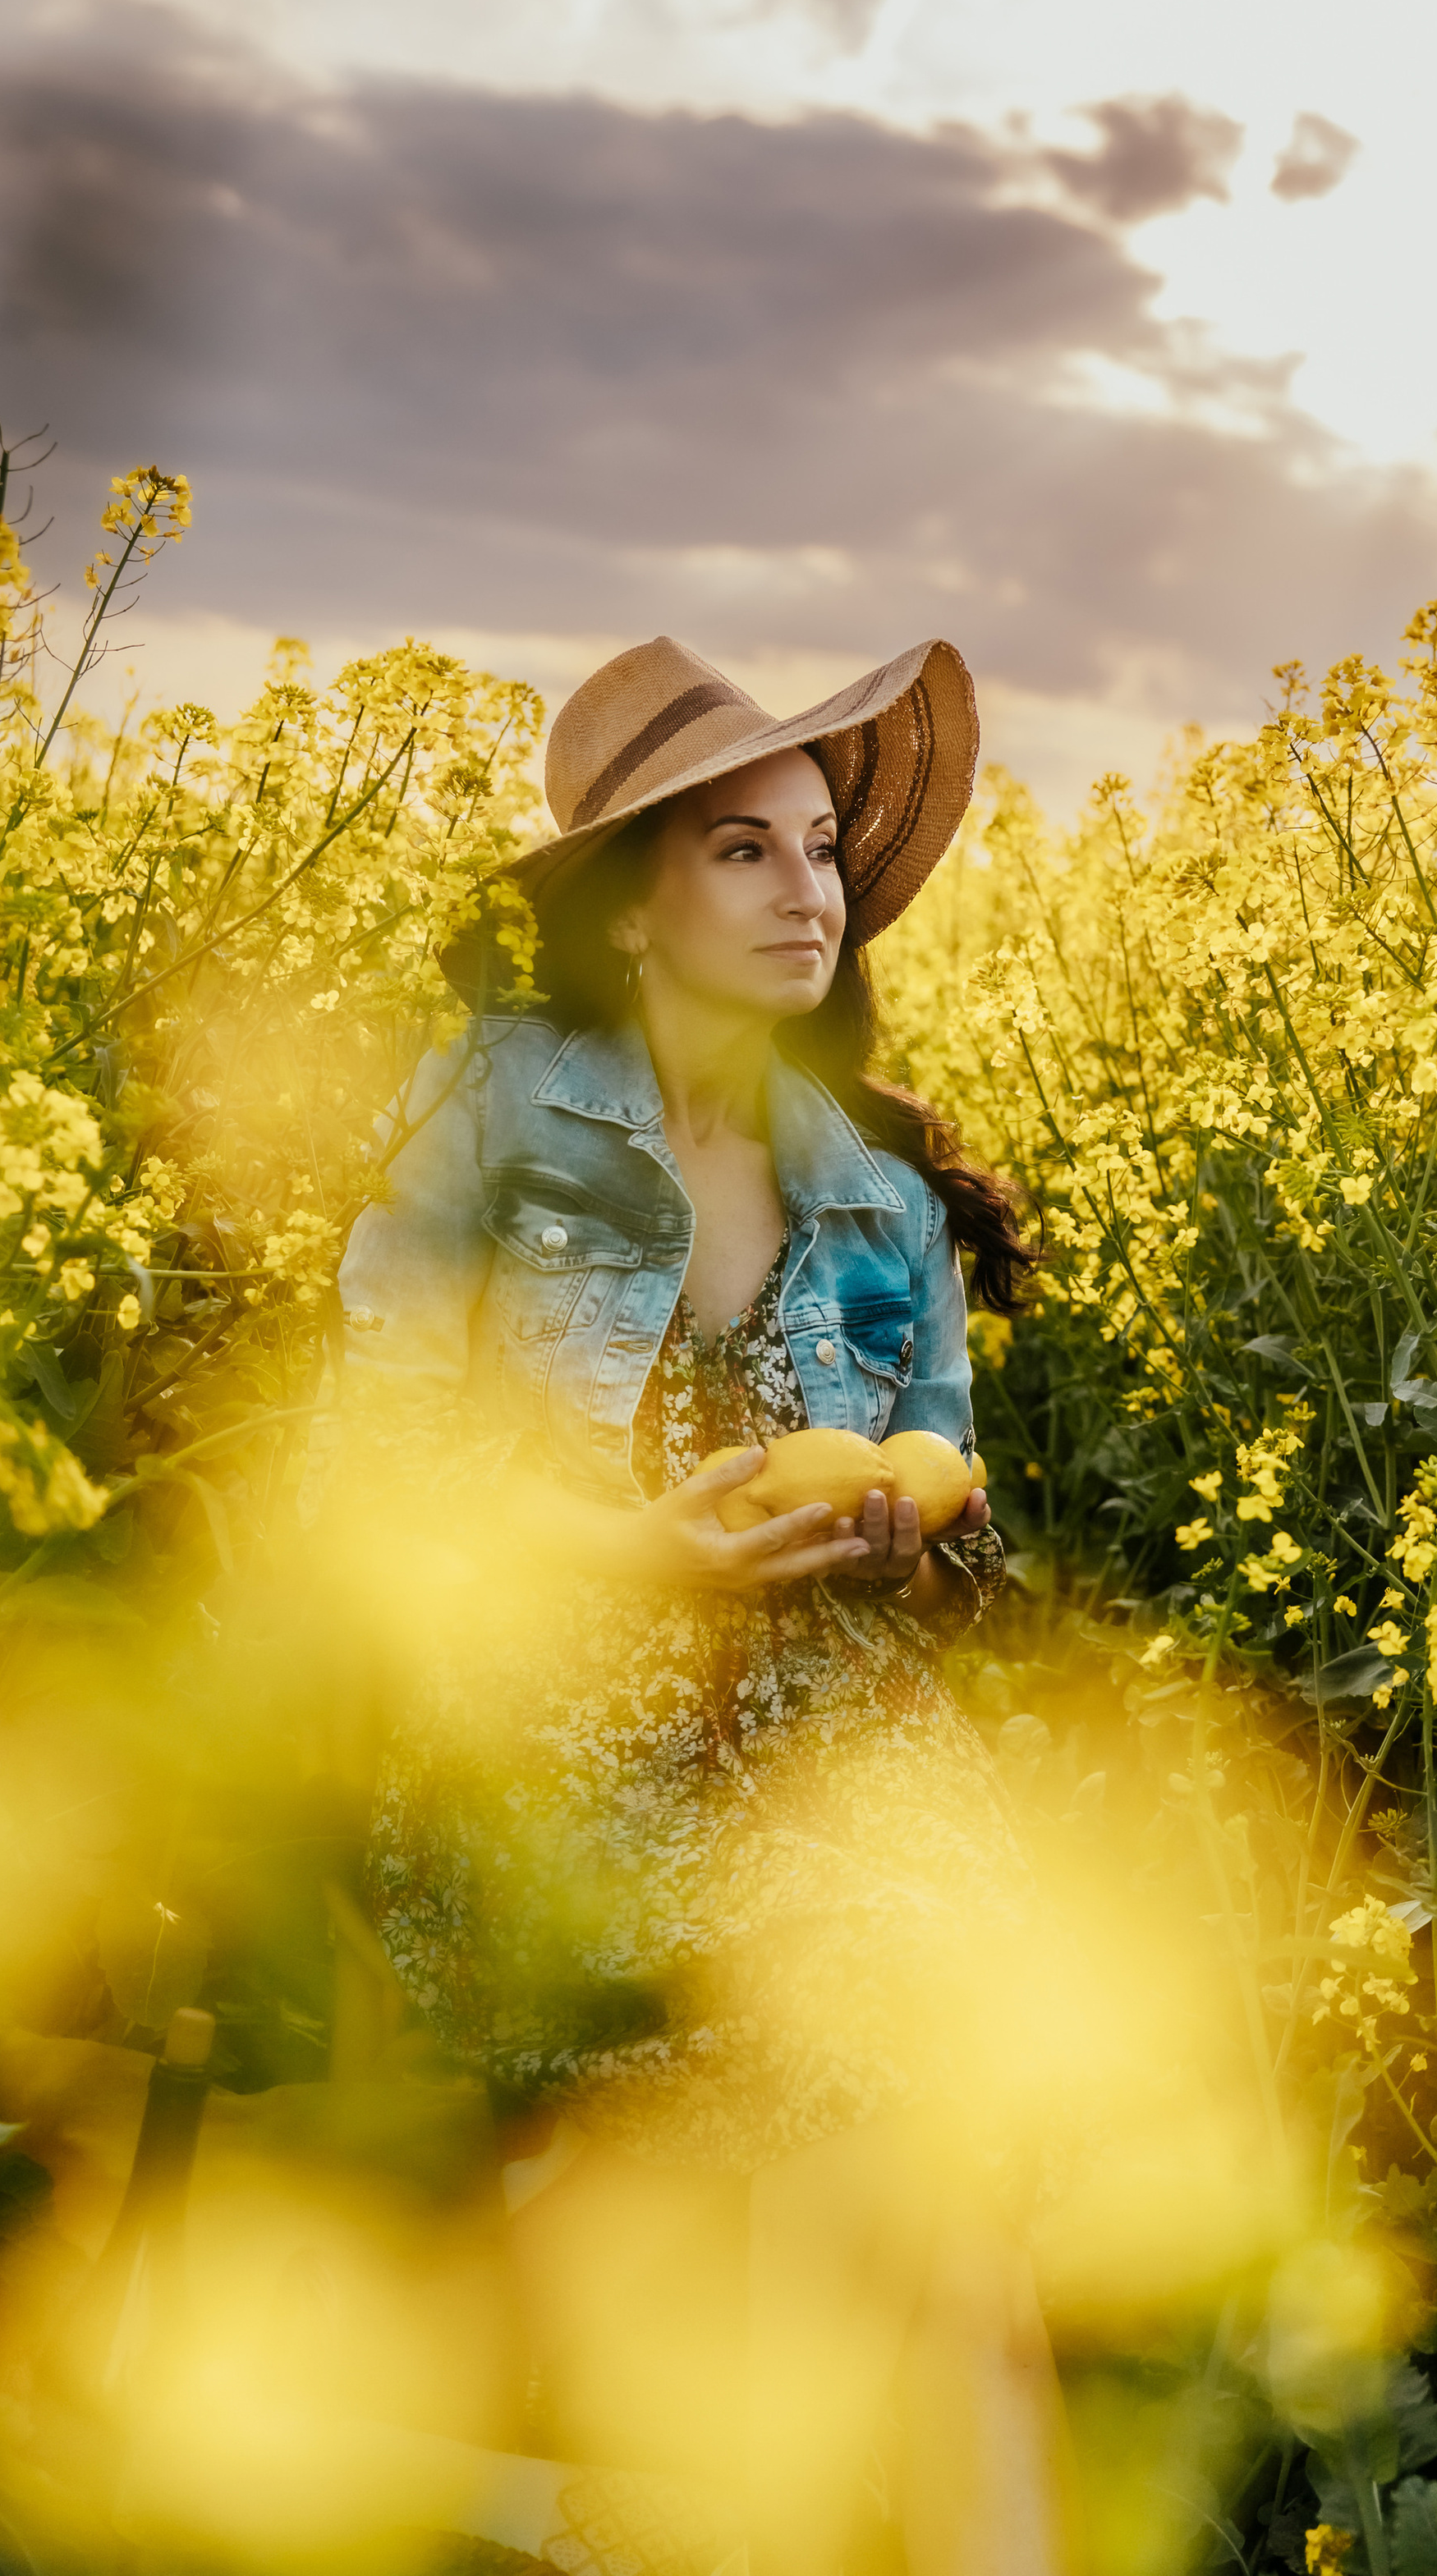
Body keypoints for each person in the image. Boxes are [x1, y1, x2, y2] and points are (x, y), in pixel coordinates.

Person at [333, 635, 1072, 2576]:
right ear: (631, 909)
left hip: (837, 1737)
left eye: (818, 848)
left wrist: (914, 1517)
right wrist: (627, 1551)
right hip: (564, 1733)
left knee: (947, 2201)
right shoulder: (493, 1112)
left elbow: (947, 1466)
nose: (803, 892)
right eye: (738, 851)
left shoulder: (880, 1183)